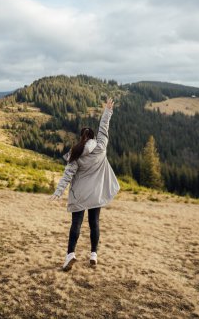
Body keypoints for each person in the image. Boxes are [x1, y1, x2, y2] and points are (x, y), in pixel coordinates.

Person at [49, 97, 120, 271]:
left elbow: (67, 175)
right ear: (94, 137)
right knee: (94, 222)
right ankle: (94, 254)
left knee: (76, 224)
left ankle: (70, 255)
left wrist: (58, 192)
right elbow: (104, 128)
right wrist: (107, 111)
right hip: (96, 194)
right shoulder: (101, 146)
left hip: (80, 194)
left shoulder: (76, 152)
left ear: (82, 137)